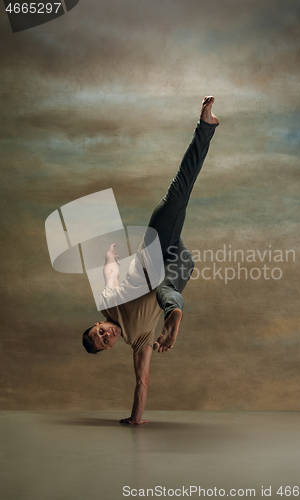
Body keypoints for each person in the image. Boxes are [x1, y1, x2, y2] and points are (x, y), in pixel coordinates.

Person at [82, 96, 219, 424]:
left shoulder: (107, 303)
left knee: (175, 197)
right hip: (176, 269)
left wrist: (109, 257)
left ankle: (207, 126)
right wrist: (135, 419)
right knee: (163, 289)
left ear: (99, 323)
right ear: (109, 349)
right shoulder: (140, 341)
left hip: (159, 251)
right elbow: (141, 382)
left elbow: (111, 276)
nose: (104, 336)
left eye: (98, 332)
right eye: (103, 343)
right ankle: (174, 314)